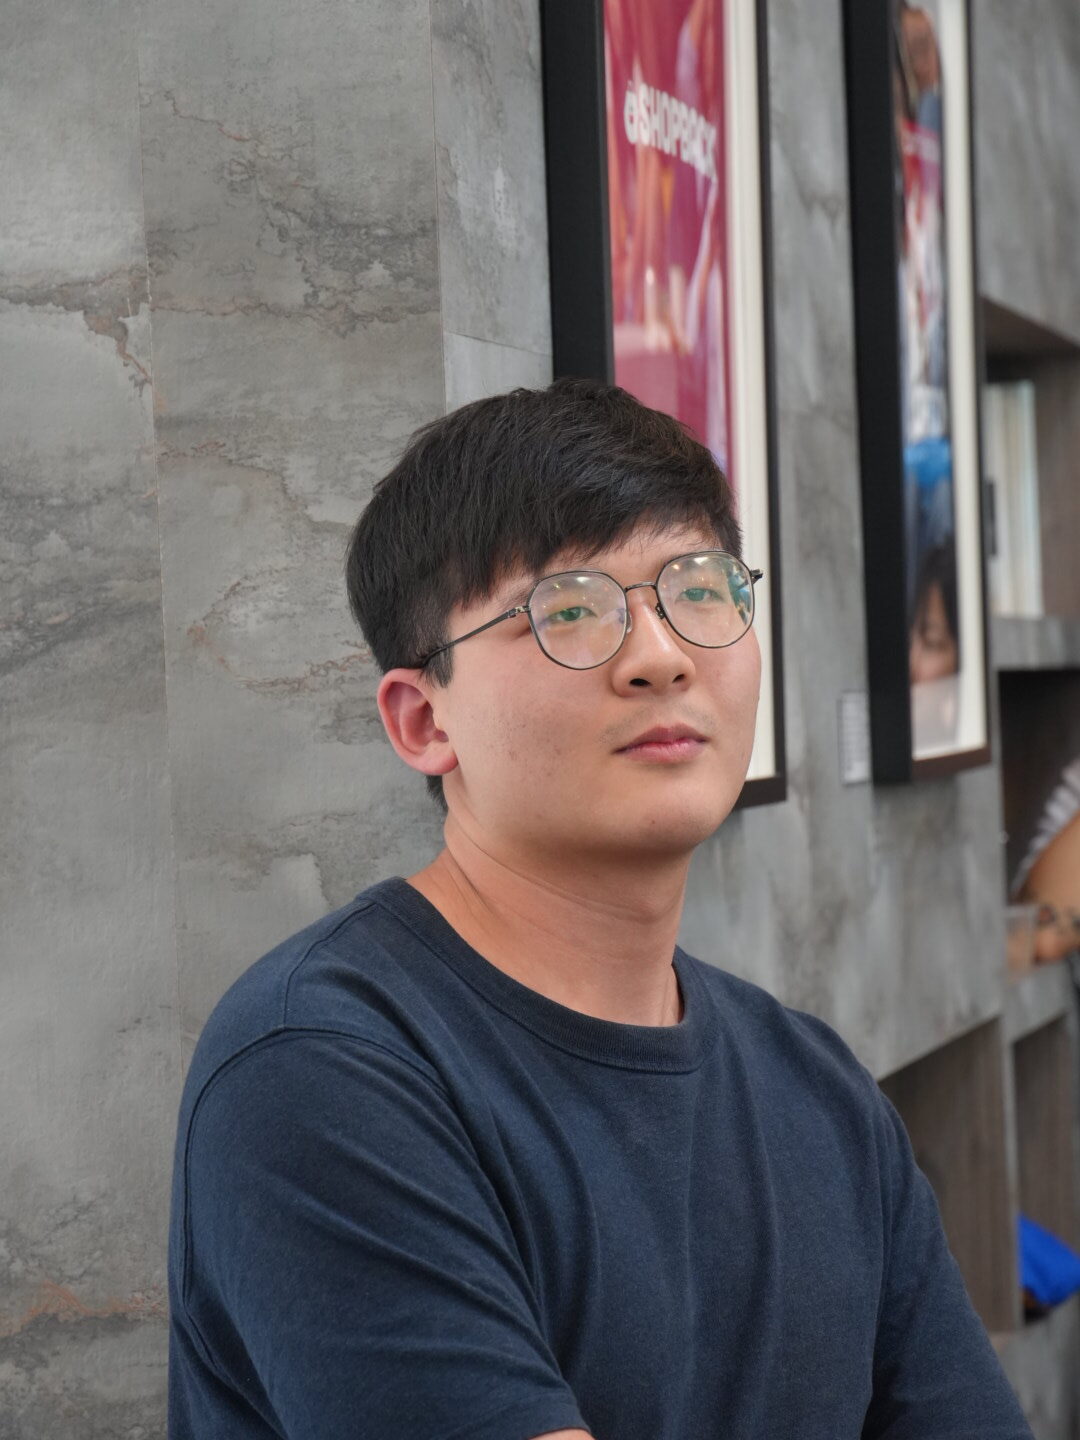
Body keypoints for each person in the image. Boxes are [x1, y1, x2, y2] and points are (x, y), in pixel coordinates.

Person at [167, 378, 1033, 1438]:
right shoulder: (320, 1067)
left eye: (700, 590)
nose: (662, 656)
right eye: (570, 610)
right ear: (423, 721)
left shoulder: (817, 1089)